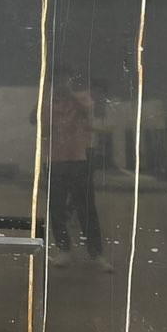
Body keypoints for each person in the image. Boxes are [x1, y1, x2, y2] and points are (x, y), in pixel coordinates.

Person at [43, 68, 113, 272]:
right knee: (56, 208)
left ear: (70, 81)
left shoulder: (82, 98)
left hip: (77, 160)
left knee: (86, 208)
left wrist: (70, 94)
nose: (61, 85)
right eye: (57, 81)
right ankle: (64, 249)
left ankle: (96, 254)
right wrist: (46, 97)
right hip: (54, 161)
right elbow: (35, 119)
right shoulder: (48, 101)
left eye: (64, 81)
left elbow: (87, 115)